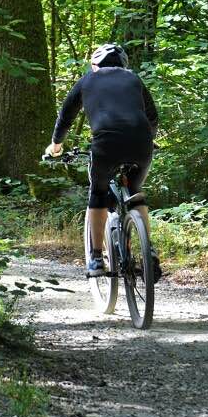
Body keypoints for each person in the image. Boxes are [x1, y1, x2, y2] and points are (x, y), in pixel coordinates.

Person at [43, 43, 161, 280]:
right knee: (135, 189)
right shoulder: (134, 79)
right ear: (123, 64)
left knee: (98, 193)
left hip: (106, 144)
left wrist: (55, 146)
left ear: (95, 65)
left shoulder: (87, 80)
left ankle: (96, 257)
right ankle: (148, 251)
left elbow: (66, 116)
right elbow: (152, 116)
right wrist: (149, 139)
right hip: (141, 142)